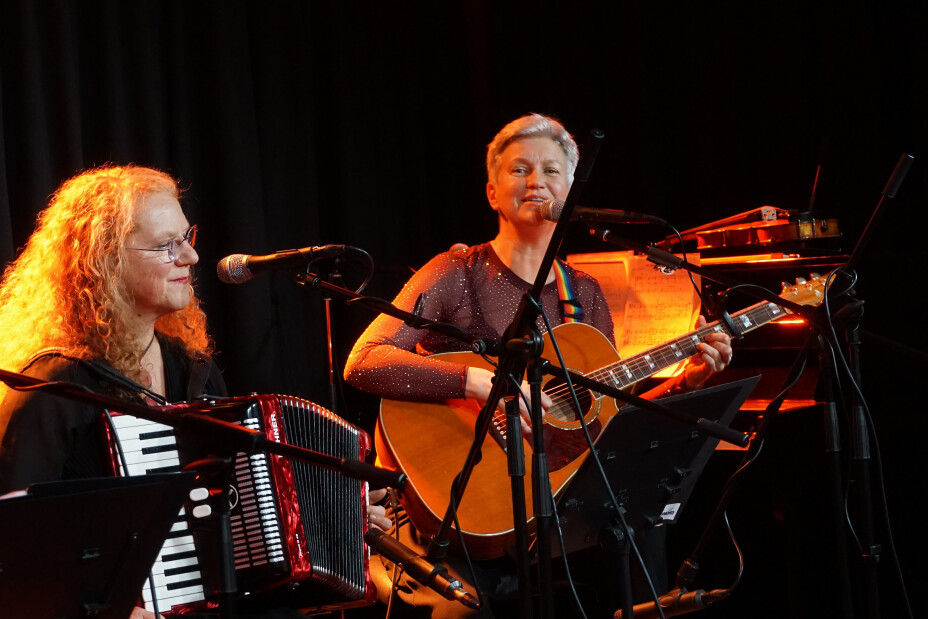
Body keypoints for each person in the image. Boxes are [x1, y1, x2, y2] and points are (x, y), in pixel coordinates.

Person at [343, 113, 733, 617]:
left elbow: (601, 416)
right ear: (491, 191)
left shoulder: (583, 293)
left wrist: (688, 377)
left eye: (551, 171)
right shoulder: (454, 272)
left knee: (639, 534)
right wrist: (480, 382)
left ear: (571, 192)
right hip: (463, 501)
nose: (536, 182)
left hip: (554, 502)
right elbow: (365, 361)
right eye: (519, 169)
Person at [0, 165, 390, 619]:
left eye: (188, 237)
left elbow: (238, 513)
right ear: (104, 261)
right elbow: (16, 550)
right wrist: (110, 606)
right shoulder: (52, 388)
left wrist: (337, 517)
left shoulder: (192, 369)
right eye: (167, 245)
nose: (191, 258)